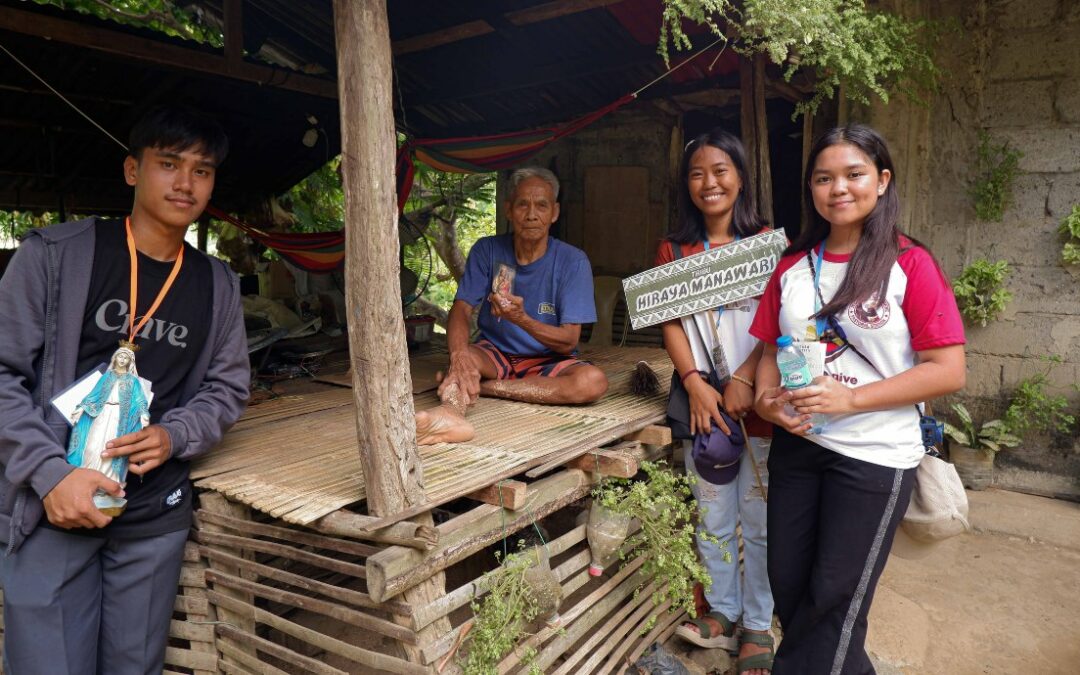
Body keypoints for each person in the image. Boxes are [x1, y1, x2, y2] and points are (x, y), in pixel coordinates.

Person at [0, 105, 250, 674]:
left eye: (202, 170)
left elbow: (227, 386)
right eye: (169, 163)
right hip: (52, 510)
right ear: (132, 171)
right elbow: (3, 372)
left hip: (150, 519)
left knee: (134, 667)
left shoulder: (217, 284)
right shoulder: (55, 255)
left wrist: (174, 433)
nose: (185, 183)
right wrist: (48, 474)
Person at [749, 124, 966, 674]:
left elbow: (948, 370)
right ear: (811, 189)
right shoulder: (792, 268)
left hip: (875, 455)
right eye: (824, 178)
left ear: (882, 180)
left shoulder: (909, 264)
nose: (838, 188)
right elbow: (771, 351)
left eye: (853, 174)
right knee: (792, 589)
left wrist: (851, 401)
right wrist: (767, 400)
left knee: (834, 603)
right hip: (799, 448)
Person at [658, 129, 774, 675]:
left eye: (721, 170)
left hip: (759, 402)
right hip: (704, 400)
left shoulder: (770, 245)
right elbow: (671, 324)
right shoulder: (675, 252)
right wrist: (696, 382)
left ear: (741, 178)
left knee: (760, 518)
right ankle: (723, 612)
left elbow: (780, 323)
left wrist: (747, 378)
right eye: (698, 173)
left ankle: (757, 622)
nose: (710, 182)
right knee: (712, 513)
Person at [415, 167, 608, 445]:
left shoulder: (573, 261)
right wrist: (458, 357)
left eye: (541, 205)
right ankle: (450, 414)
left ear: (554, 213)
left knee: (592, 382)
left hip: (549, 360)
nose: (531, 214)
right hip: (495, 354)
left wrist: (521, 318)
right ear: (508, 210)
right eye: (522, 204)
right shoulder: (487, 250)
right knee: (463, 358)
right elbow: (461, 309)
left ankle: (489, 389)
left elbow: (568, 341)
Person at [67, 347, 150, 504]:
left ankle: (108, 485)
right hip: (101, 414)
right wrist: (80, 409)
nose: (122, 360)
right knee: (92, 446)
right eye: (121, 356)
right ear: (115, 358)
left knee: (111, 449)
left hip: (120, 418)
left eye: (126, 358)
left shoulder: (132, 381)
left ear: (130, 362)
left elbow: (140, 400)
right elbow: (93, 395)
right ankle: (87, 477)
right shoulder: (107, 377)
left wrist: (144, 414)